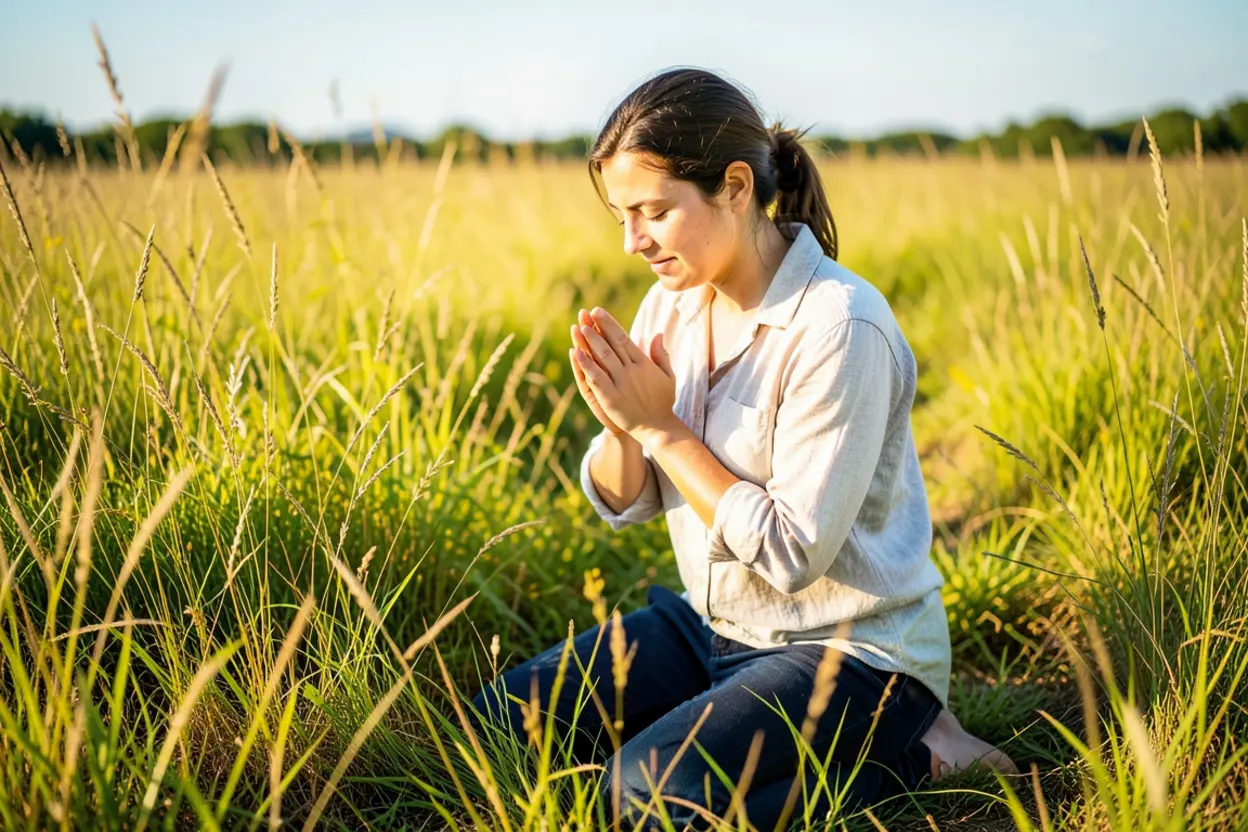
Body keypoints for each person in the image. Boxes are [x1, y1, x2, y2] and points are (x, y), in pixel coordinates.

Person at [468, 67, 1017, 830]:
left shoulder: (840, 326)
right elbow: (626, 501)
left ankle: (916, 749)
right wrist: (623, 421)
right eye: (622, 217)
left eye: (654, 211)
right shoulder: (673, 298)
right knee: (501, 725)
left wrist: (663, 428)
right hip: (716, 624)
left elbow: (793, 554)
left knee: (646, 791)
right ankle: (759, 740)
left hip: (849, 654)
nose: (633, 243)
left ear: (733, 185)